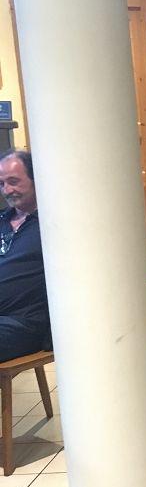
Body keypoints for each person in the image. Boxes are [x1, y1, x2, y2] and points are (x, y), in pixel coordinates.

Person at [0, 150, 51, 363]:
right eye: (2, 184)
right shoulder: (2, 220)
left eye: (13, 182)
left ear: (35, 178)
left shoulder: (51, 223)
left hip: (24, 322)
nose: (6, 190)